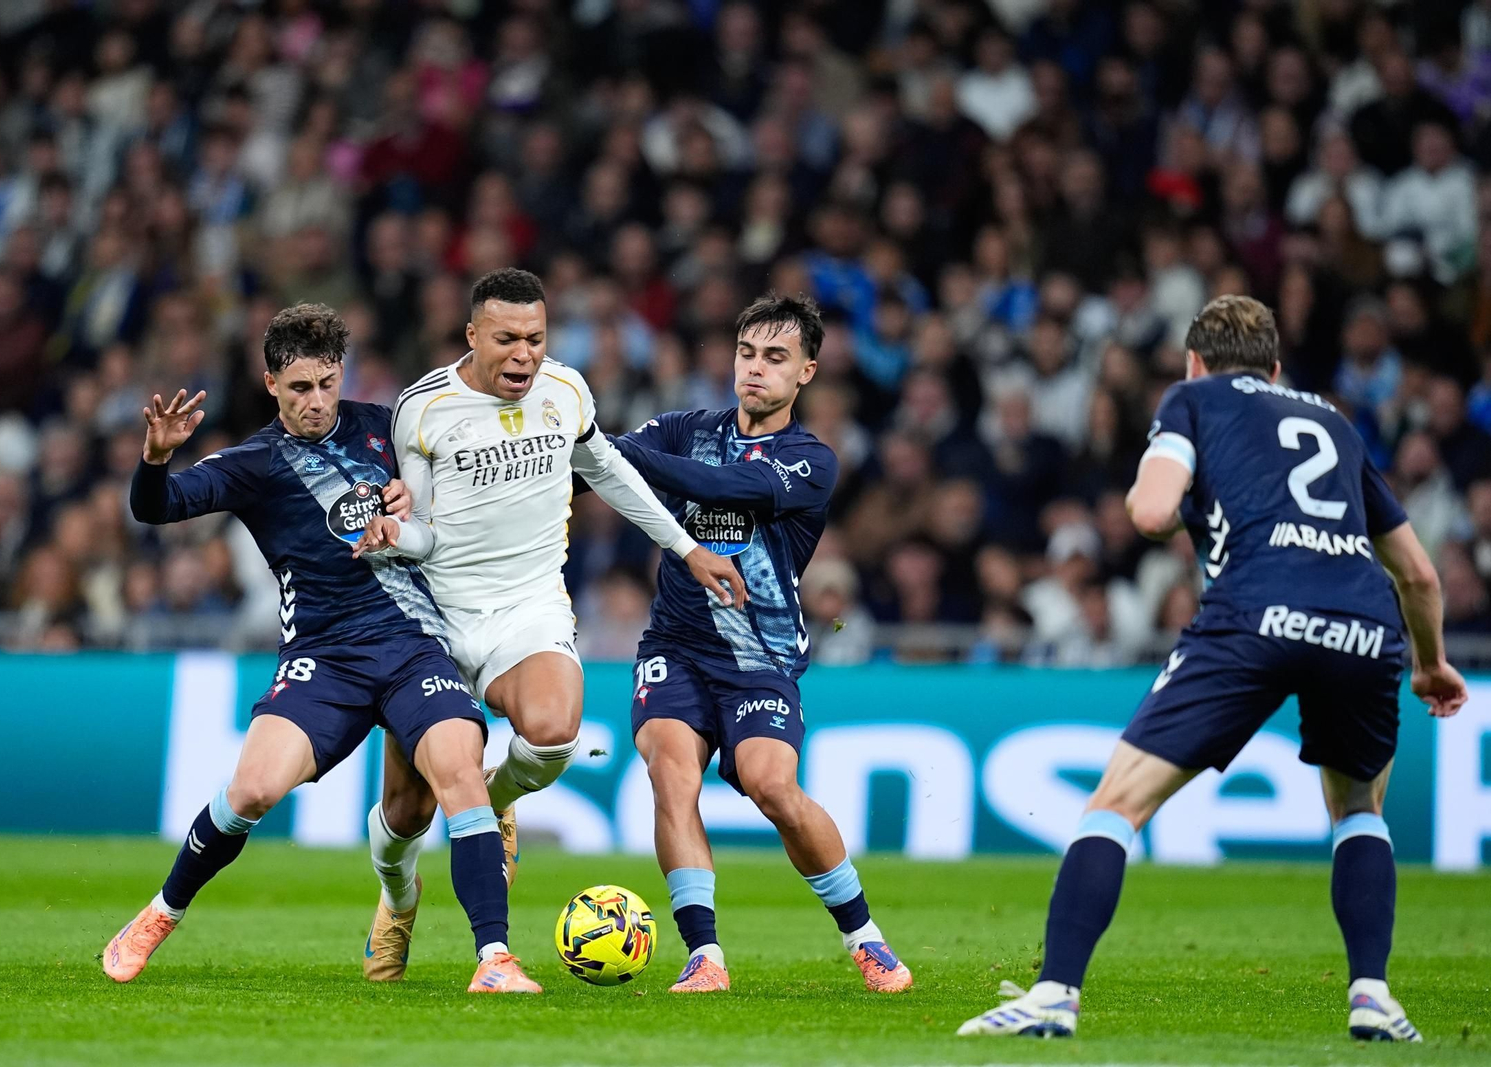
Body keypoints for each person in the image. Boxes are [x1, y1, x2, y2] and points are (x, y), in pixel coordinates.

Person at [958, 295, 1468, 1041]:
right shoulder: (1332, 420)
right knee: (1358, 809)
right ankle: (1373, 996)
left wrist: (1146, 483)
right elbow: (1419, 574)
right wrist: (1432, 665)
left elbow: (1152, 512)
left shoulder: (1191, 398)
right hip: (1364, 623)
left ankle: (1054, 994)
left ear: (1194, 361)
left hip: (1255, 608)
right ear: (1276, 368)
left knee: (1115, 803)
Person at [101, 303, 539, 994]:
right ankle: (160, 913)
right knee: (251, 790)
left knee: (460, 774)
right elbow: (156, 509)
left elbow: (456, 496)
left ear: (343, 374)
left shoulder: (387, 428)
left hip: (412, 644)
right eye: (299, 387)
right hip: (323, 657)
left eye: (327, 383)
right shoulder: (253, 462)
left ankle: (495, 958)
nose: (315, 400)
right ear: (271, 382)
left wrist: (415, 499)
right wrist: (155, 460)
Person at [350, 268, 747, 981]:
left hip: (528, 603)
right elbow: (425, 532)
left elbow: (613, 470)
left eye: (535, 338)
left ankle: (490, 803)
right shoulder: (422, 408)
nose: (523, 355)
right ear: (472, 336)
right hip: (435, 616)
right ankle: (396, 897)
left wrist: (687, 549)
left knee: (556, 731)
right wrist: (391, 534)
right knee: (406, 811)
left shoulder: (566, 392)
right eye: (506, 339)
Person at [604, 292, 913, 994]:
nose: (755, 369)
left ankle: (865, 938)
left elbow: (717, 484)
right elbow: (603, 468)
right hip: (675, 645)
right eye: (747, 353)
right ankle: (705, 955)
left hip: (760, 658)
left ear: (807, 371)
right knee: (670, 773)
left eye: (775, 357)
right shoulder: (687, 425)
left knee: (774, 786)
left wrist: (604, 448)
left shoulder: (811, 460)